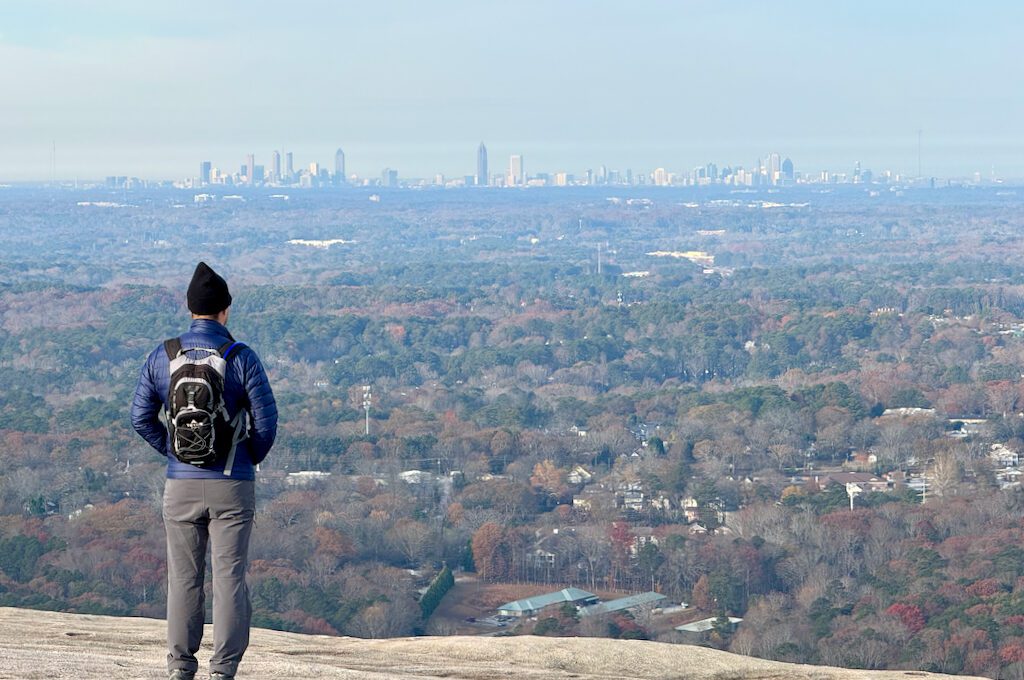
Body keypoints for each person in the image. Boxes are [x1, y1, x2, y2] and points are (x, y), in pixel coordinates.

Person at [132, 262, 278, 680]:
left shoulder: (163, 356)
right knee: (229, 578)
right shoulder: (240, 357)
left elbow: (140, 417)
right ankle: (223, 669)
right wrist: (247, 458)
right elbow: (266, 423)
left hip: (179, 486)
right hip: (232, 483)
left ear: (189, 308)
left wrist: (174, 453)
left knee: (183, 578)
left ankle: (180, 666)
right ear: (225, 310)